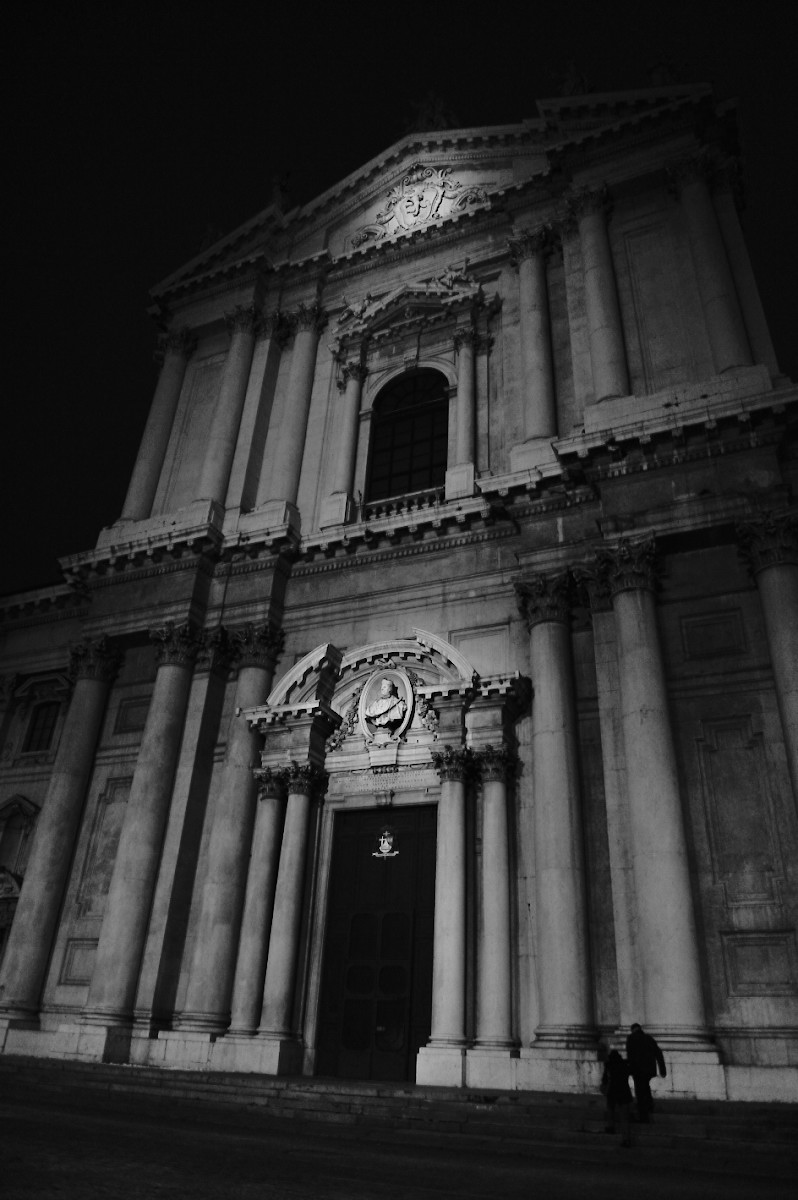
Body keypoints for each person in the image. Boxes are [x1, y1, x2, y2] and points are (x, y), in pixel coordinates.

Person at [625, 1022, 666, 1123]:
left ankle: (643, 1115)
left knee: (640, 1092)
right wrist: (662, 1069)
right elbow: (658, 1053)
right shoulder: (648, 1038)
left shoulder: (631, 1038)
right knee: (646, 1087)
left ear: (632, 1030)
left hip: (637, 1070)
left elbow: (630, 1055)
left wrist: (629, 1070)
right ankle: (649, 1106)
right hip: (648, 1070)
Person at [601, 1049, 633, 1147]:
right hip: (624, 1092)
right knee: (624, 1118)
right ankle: (626, 1139)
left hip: (613, 1092)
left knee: (610, 1109)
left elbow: (605, 1079)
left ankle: (611, 1126)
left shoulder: (609, 1066)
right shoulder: (624, 1065)